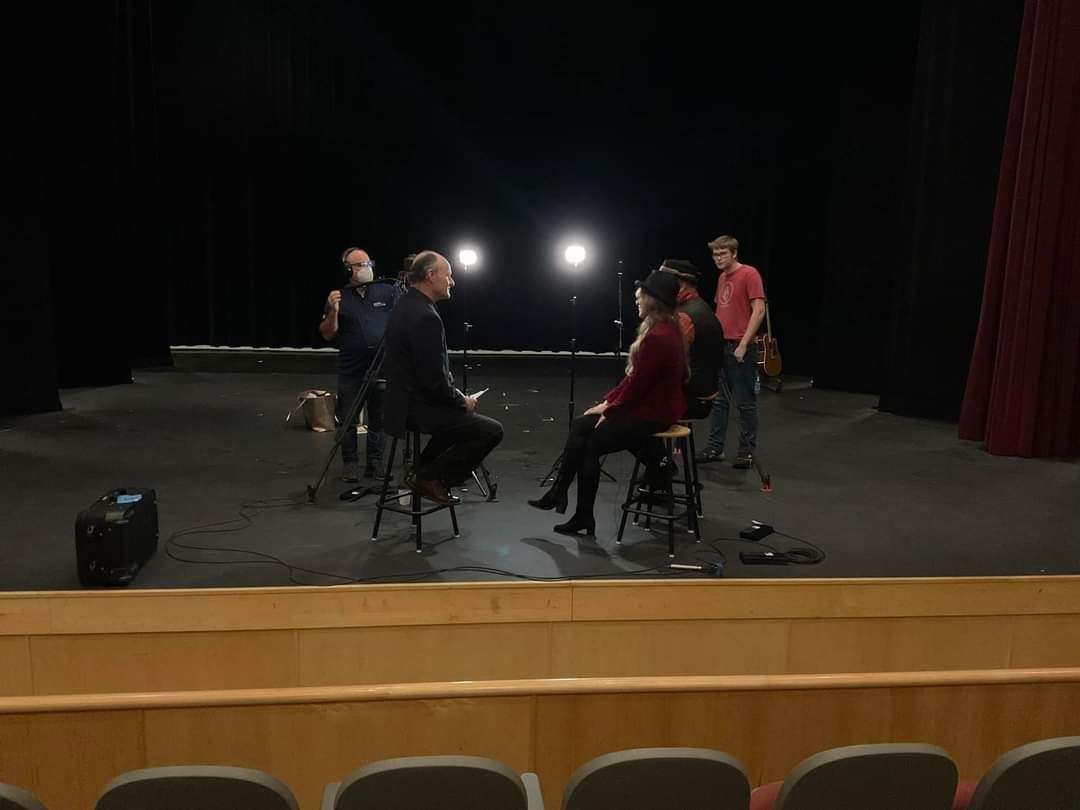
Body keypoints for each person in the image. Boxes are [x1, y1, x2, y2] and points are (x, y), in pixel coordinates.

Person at [527, 270, 686, 537]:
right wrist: (607, 403)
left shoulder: (659, 337)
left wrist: (611, 411)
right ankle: (562, 496)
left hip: (653, 413)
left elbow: (639, 386)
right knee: (581, 425)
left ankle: (574, 508)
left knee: (590, 444)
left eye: (641, 296)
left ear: (653, 300)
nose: (637, 299)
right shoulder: (662, 330)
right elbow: (634, 380)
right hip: (647, 407)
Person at [382, 251, 503, 505]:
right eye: (448, 275)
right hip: (416, 408)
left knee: (458, 422)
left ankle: (420, 471)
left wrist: (456, 399)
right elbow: (434, 382)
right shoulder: (425, 316)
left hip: (400, 404)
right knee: (491, 431)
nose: (452, 281)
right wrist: (462, 401)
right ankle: (433, 479)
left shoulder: (405, 304)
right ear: (431, 275)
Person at [320, 247, 398, 482]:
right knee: (348, 418)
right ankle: (350, 463)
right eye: (360, 265)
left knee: (379, 419)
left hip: (381, 367)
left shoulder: (387, 291)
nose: (367, 268)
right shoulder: (339, 297)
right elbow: (327, 333)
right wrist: (333, 311)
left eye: (369, 263)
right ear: (348, 270)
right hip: (352, 370)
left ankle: (375, 463)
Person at [697, 235, 766, 469]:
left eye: (723, 254)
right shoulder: (722, 278)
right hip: (722, 345)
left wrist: (744, 343)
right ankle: (715, 447)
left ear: (734, 253)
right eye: (715, 254)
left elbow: (759, 310)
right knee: (719, 402)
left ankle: (747, 451)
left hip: (740, 345)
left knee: (745, 402)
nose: (718, 258)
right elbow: (721, 311)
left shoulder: (749, 274)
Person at [659, 259, 725, 420]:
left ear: (680, 284)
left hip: (691, 399)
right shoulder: (701, 307)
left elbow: (666, 363)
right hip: (704, 395)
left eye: (663, 282)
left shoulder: (684, 316)